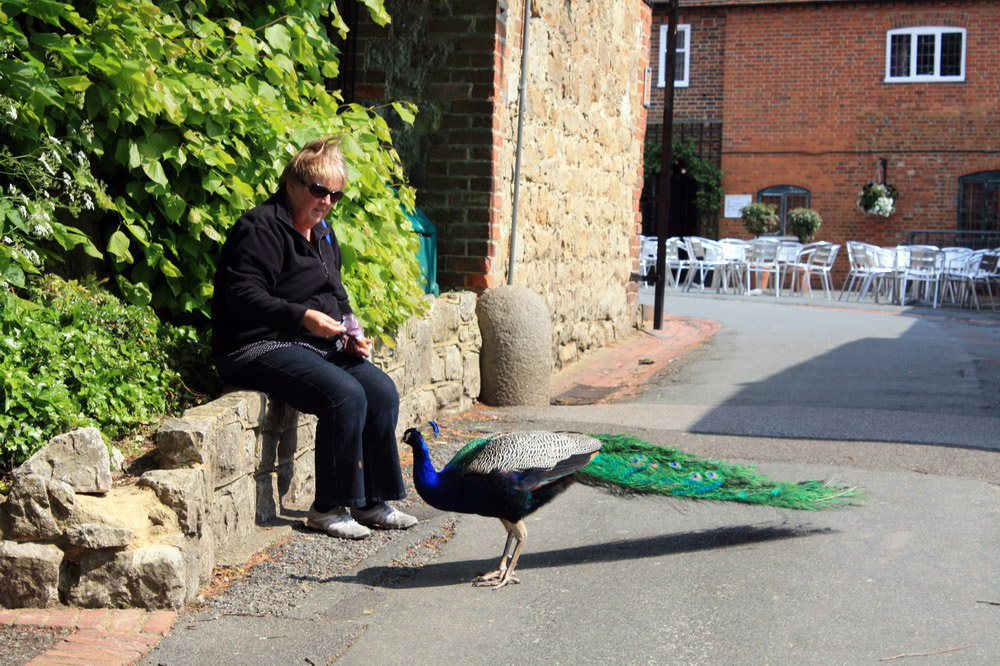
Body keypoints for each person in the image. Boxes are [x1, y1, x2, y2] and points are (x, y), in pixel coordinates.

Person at [211, 136, 417, 540]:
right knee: (345, 394)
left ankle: (371, 502)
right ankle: (327, 508)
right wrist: (303, 317)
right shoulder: (260, 226)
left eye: (335, 195)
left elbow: (335, 293)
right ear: (292, 185)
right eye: (319, 190)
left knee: (382, 391)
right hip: (255, 343)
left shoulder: (322, 233)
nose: (326, 202)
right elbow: (243, 295)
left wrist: (352, 333)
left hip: (308, 343)